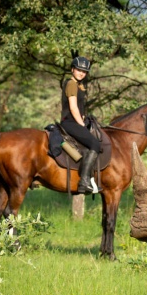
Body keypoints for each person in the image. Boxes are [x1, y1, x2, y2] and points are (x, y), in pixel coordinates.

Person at [60, 56, 101, 194]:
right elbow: (73, 107)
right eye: (78, 70)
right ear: (72, 69)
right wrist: (82, 125)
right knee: (95, 144)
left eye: (84, 71)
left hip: (74, 121)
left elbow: (79, 106)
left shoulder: (79, 85)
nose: (81, 73)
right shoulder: (71, 84)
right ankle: (84, 181)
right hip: (70, 122)